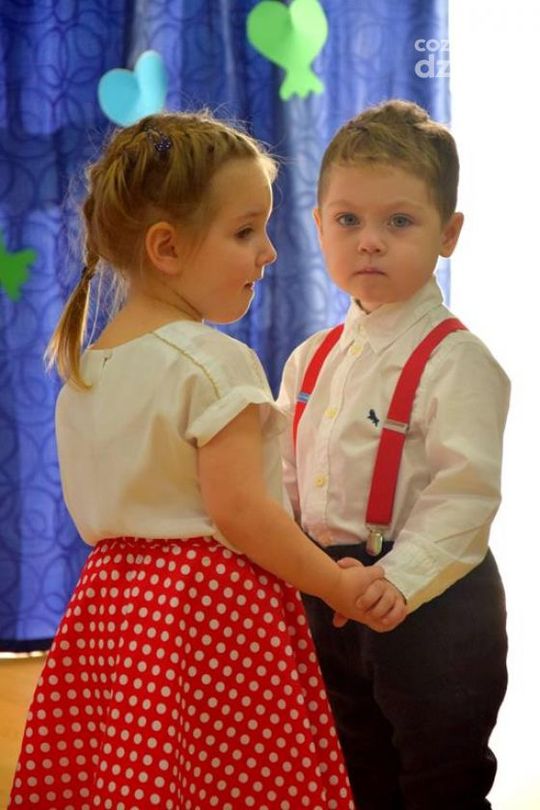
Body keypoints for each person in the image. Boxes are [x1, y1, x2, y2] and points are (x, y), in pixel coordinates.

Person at [8, 111, 386, 810]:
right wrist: (335, 583)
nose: (268, 252)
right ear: (167, 248)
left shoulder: (86, 374)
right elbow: (243, 514)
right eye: (245, 232)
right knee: (237, 785)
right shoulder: (213, 363)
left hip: (112, 613)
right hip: (212, 615)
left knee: (142, 775)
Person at [278, 99, 510, 810]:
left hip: (432, 603)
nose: (370, 242)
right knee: (354, 775)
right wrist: (303, 569)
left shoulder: (457, 360)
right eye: (348, 220)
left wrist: (400, 578)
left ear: (449, 234)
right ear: (318, 226)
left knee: (441, 779)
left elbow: (463, 496)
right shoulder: (308, 360)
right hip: (330, 596)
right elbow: (283, 482)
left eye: (399, 222)